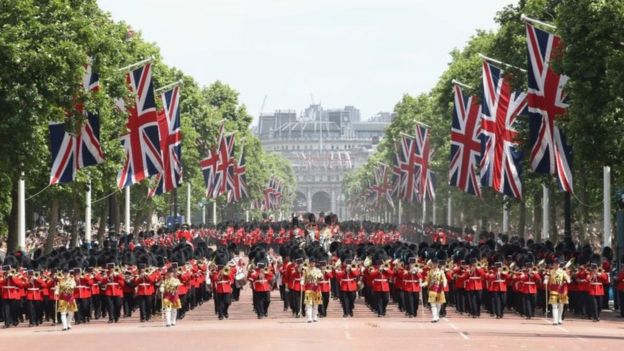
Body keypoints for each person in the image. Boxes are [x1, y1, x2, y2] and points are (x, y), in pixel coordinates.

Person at [546, 260, 571, 325]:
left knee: (561, 305)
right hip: (553, 289)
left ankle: (559, 319)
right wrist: (545, 280)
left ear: (559, 265)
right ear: (553, 264)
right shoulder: (550, 271)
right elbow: (547, 278)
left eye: (557, 264)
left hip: (561, 289)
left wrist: (568, 279)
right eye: (555, 264)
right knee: (554, 306)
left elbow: (568, 279)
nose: (556, 265)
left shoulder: (563, 272)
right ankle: (555, 320)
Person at [423, 258, 447, 323]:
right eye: (434, 263)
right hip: (432, 289)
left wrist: (444, 284)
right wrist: (423, 284)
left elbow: (444, 279)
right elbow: (427, 281)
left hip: (439, 289)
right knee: (432, 304)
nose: (435, 264)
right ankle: (434, 317)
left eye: (436, 263)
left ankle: (437, 316)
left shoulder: (441, 271)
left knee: (438, 304)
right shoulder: (430, 271)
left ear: (438, 264)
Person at [303, 257, 323, 323]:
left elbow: (321, 278)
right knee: (309, 303)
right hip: (308, 288)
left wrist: (320, 278)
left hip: (316, 288)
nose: (312, 263)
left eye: (313, 262)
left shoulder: (318, 270)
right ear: (309, 263)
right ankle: (309, 317)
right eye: (311, 262)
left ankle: (315, 316)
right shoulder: (306, 270)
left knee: (316, 303)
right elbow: (304, 279)